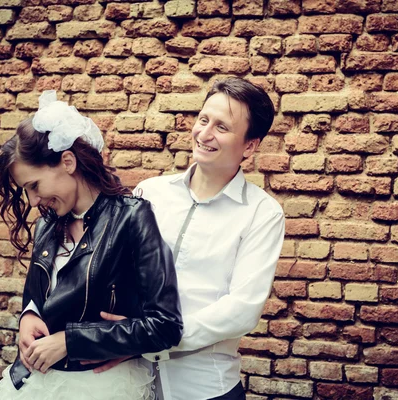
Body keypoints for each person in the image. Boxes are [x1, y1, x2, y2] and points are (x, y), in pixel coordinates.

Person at [95, 77, 285, 399]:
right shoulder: (149, 192)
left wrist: (149, 337)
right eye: (203, 119)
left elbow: (242, 309)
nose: (204, 134)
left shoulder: (263, 213)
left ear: (250, 146)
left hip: (205, 388)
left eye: (222, 127)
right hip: (128, 380)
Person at [0, 91, 182, 400]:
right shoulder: (47, 224)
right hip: (36, 382)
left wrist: (71, 342)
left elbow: (165, 325)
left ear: (67, 161)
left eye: (34, 186)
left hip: (103, 386)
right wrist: (29, 315)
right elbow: (38, 296)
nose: (34, 201)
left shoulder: (132, 218)